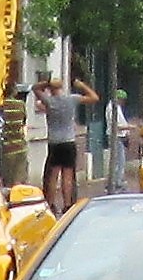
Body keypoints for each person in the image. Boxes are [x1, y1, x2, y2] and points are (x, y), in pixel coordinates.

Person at [32, 76, 99, 215]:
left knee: (53, 175)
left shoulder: (49, 101)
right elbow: (94, 97)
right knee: (67, 176)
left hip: (54, 142)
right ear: (61, 88)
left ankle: (50, 204)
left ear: (50, 89)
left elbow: (35, 88)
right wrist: (81, 85)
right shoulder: (72, 99)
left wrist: (46, 82)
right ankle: (67, 204)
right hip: (69, 141)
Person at [0, 70, 30, 186]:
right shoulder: (20, 104)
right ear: (14, 90)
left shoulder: (1, 106)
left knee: (7, 181)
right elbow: (23, 122)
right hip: (20, 146)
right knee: (19, 180)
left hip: (6, 148)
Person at [105, 88, 133, 192]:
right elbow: (118, 125)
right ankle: (117, 182)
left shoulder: (116, 107)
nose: (123, 102)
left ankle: (117, 181)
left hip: (119, 136)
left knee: (120, 160)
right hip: (116, 136)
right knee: (119, 161)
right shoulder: (113, 108)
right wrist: (130, 127)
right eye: (122, 99)